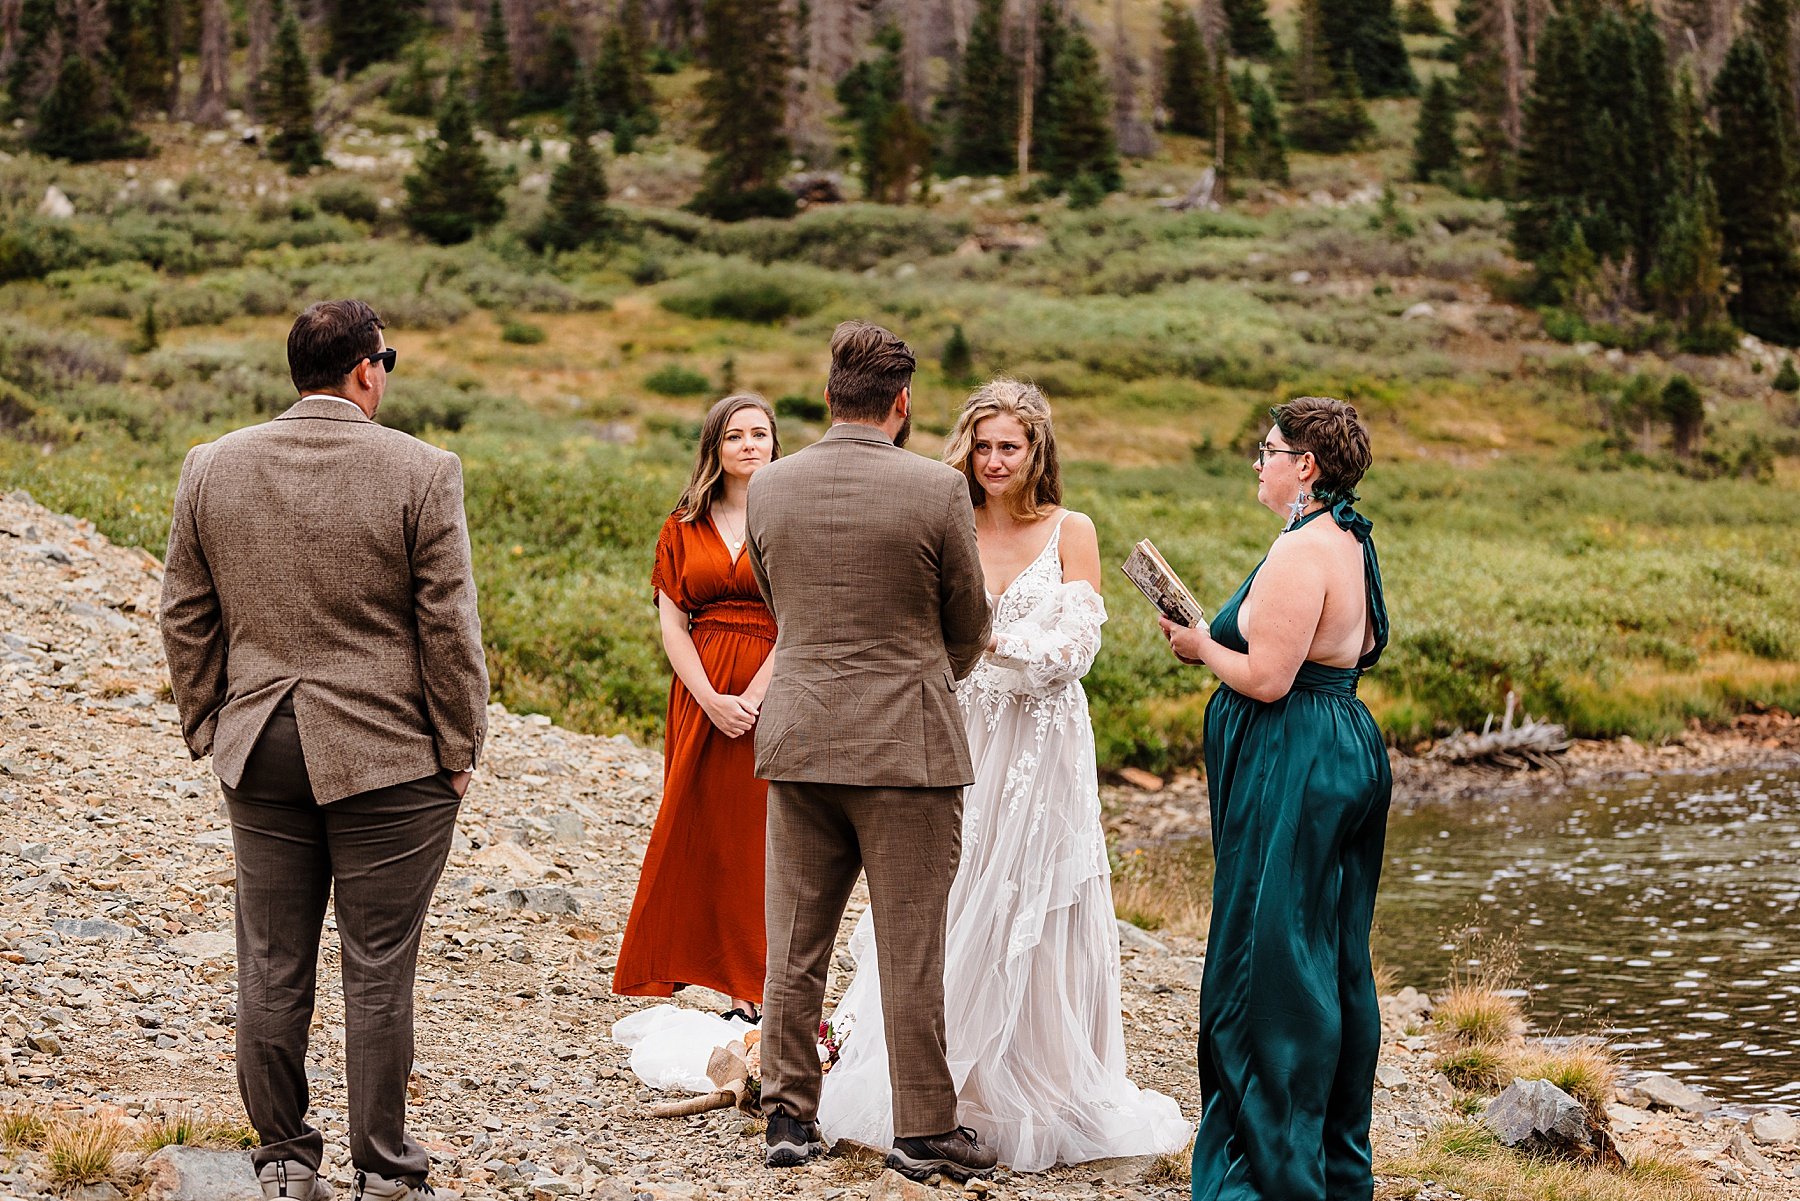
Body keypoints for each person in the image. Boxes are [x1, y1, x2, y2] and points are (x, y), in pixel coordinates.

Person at [159, 300, 488, 1201]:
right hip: (389, 755)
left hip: (259, 742)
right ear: (365, 371)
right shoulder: (424, 469)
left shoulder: (211, 465)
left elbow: (184, 612)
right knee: (378, 963)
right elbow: (449, 630)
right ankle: (382, 1167)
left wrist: (208, 722)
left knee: (270, 956)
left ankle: (283, 1159)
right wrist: (460, 745)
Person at [818, 379, 1192, 1171]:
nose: (994, 460)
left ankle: (1046, 1081)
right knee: (950, 897)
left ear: (1037, 451)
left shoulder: (1072, 529)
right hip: (957, 735)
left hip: (1043, 748)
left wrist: (984, 637)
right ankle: (941, 1088)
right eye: (983, 445)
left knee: (1036, 900)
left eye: (1009, 447)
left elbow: (1075, 653)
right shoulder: (943, 516)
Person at [743, 320, 997, 1184]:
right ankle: (923, 1130)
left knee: (794, 943)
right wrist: (927, 673)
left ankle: (786, 1114)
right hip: (908, 748)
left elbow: (780, 604)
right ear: (902, 402)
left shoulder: (770, 487)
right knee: (911, 946)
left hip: (802, 734)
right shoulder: (936, 488)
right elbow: (969, 621)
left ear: (827, 397)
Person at [1158, 397, 1391, 1201]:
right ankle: (1326, 1157)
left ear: (1308, 467)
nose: (1258, 463)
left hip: (1295, 760)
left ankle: (1267, 1171)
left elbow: (1267, 678)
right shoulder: (1346, 539)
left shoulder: (1302, 552)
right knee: (1322, 946)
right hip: (1333, 749)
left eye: (1269, 450)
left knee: (1266, 960)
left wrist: (1197, 644)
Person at [614, 394, 781, 1021]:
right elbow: (673, 626)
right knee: (697, 826)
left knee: (756, 838)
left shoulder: (788, 518)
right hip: (700, 693)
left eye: (760, 434)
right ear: (715, 446)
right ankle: (689, 966)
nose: (748, 445)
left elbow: (799, 620)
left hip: (771, 692)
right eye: (735, 435)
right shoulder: (683, 524)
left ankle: (753, 983)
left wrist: (755, 697)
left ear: (774, 443)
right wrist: (712, 699)